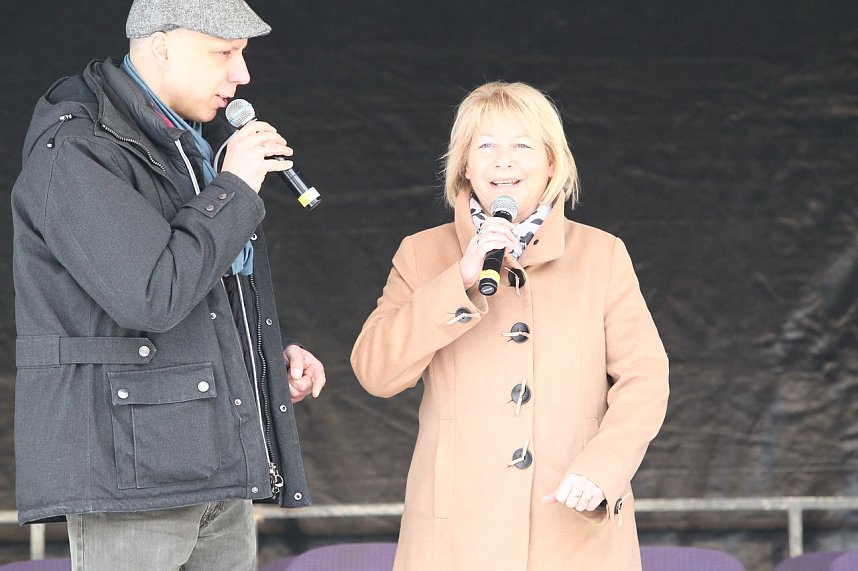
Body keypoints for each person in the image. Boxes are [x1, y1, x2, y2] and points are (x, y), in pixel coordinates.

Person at [11, 1, 325, 569]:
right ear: (161, 45)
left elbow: (200, 296)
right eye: (224, 53)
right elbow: (152, 293)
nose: (243, 75)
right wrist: (233, 188)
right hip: (132, 478)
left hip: (215, 465)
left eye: (243, 56)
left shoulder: (181, 144)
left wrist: (260, 359)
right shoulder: (79, 146)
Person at [351, 81, 669, 570]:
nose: (503, 161)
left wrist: (603, 469)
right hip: (454, 536)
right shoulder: (422, 253)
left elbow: (645, 379)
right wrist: (458, 279)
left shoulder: (602, 254)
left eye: (522, 145)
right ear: (464, 166)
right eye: (485, 146)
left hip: (573, 523)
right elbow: (376, 371)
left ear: (551, 163)